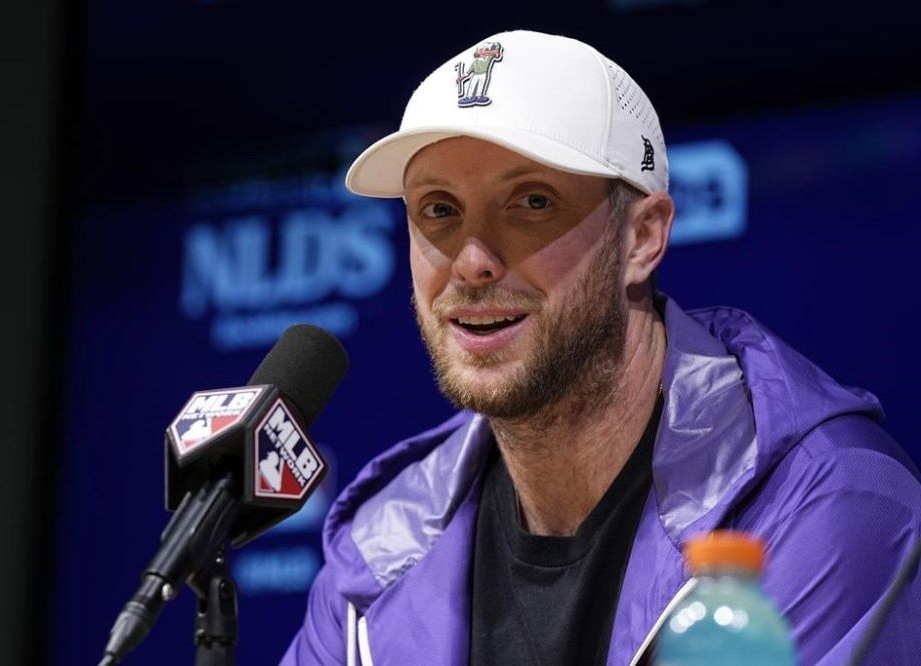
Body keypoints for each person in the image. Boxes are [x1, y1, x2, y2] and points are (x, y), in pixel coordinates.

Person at [280, 29, 921, 665]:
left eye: (532, 202)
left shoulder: (827, 504)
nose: (472, 260)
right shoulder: (379, 547)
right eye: (439, 210)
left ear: (642, 238)